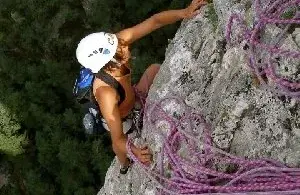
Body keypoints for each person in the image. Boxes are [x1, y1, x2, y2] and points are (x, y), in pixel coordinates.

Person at [76, 0, 207, 173]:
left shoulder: (117, 43)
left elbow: (154, 22)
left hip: (133, 97)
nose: (123, 46)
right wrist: (133, 152)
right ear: (107, 63)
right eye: (117, 50)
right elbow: (117, 139)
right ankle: (123, 165)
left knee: (155, 69)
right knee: (119, 149)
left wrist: (184, 12)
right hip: (124, 119)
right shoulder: (105, 93)